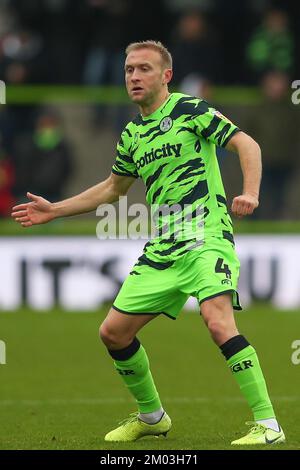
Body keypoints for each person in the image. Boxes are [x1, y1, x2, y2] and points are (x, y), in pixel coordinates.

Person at [11, 40, 285, 446]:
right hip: (163, 249)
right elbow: (111, 189)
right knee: (113, 332)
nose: (134, 77)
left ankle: (269, 425)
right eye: (128, 71)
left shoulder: (191, 110)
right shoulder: (133, 134)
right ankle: (153, 417)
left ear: (165, 76)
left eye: (143, 69)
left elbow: (247, 144)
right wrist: (55, 210)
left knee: (217, 321)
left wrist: (250, 192)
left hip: (206, 236)